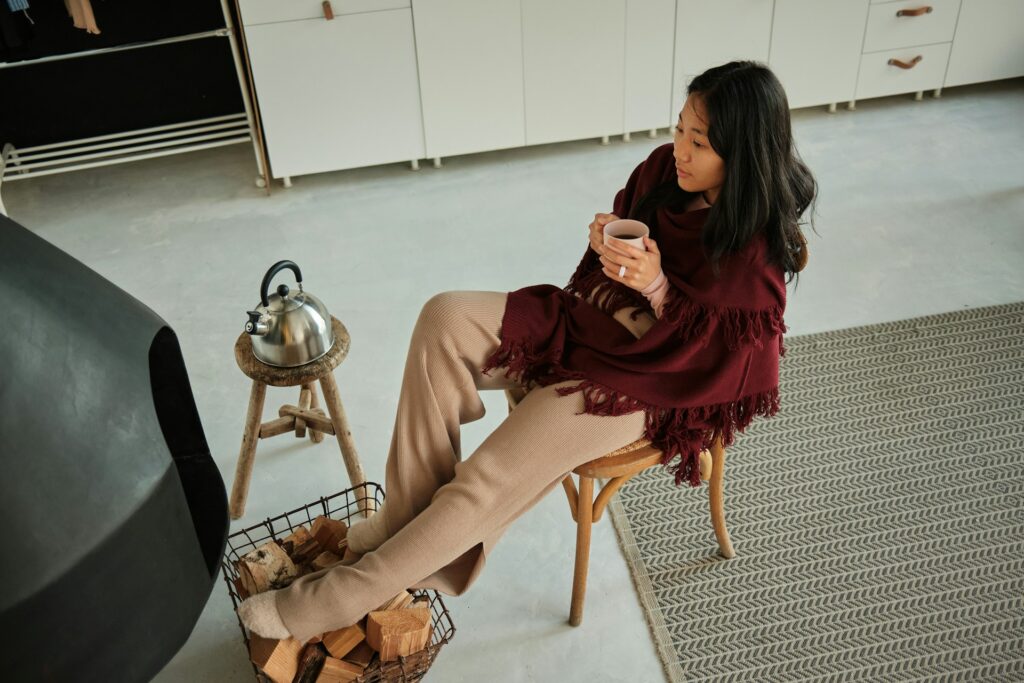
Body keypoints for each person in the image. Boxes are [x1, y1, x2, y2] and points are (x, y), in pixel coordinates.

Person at [237, 60, 817, 644]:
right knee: (445, 317)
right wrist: (610, 244)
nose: (680, 149)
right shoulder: (667, 172)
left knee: (488, 476)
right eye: (679, 128)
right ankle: (406, 521)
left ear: (742, 153)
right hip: (596, 322)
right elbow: (612, 260)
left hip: (652, 383)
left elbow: (722, 362)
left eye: (700, 141)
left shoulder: (756, 246)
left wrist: (658, 288)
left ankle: (335, 599)